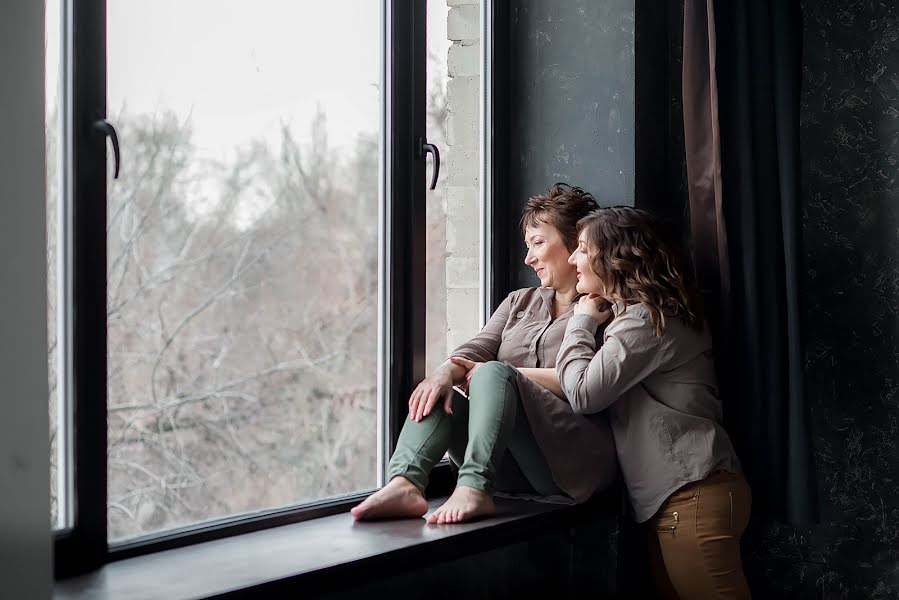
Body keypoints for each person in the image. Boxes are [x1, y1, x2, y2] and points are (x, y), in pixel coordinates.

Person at [351, 184, 618, 524]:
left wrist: (506, 375)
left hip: (568, 463)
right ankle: (405, 482)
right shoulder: (518, 301)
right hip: (509, 464)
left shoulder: (607, 311)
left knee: (493, 372)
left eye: (538, 243)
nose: (529, 258)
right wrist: (444, 373)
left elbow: (592, 386)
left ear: (575, 245)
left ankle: (473, 488)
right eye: (527, 246)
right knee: (440, 389)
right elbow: (477, 348)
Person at [556, 206, 751, 599]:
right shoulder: (644, 317)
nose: (573, 259)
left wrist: (581, 321)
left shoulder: (645, 321)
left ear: (614, 256)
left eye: (580, 248)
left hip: (691, 494)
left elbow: (582, 393)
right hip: (687, 495)